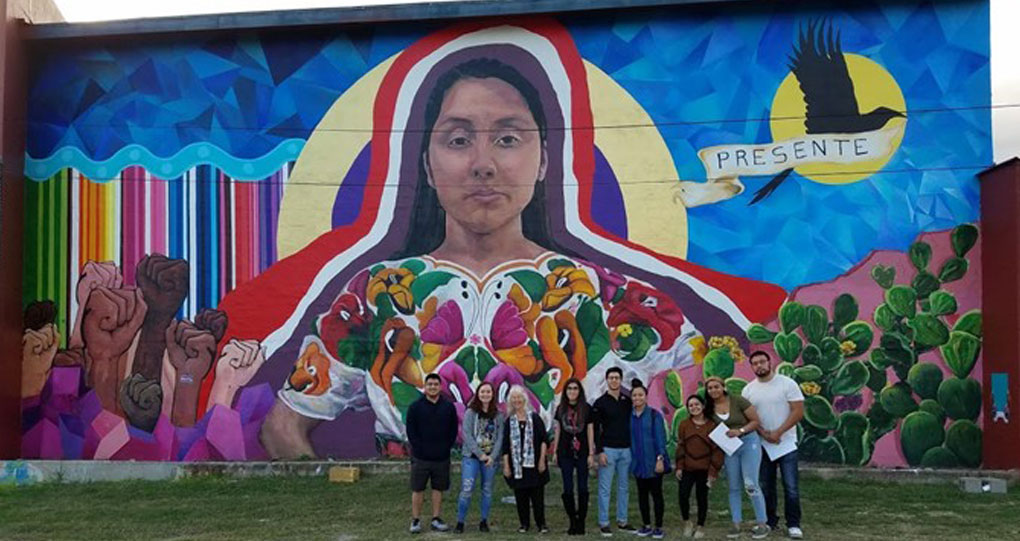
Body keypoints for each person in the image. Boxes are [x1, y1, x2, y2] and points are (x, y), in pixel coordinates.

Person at [742, 351, 805, 540]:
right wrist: (763, 433)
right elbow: (749, 417)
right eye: (755, 363)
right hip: (762, 444)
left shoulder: (787, 384)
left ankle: (793, 524)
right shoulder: (748, 390)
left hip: (786, 443)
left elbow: (798, 411)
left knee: (791, 486)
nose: (759, 366)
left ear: (770, 363)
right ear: (752, 367)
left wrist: (779, 432)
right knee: (765, 485)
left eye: (762, 361)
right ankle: (770, 521)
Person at [706, 376, 769, 539]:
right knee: (733, 486)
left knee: (750, 483)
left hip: (748, 443)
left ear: (723, 387)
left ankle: (762, 523)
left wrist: (740, 431)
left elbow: (755, 421)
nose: (713, 390)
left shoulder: (738, 401)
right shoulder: (710, 408)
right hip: (730, 447)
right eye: (710, 388)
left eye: (716, 387)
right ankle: (736, 524)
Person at [405, 373, 458, 534]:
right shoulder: (415, 407)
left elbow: (453, 430)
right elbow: (411, 432)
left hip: (441, 457)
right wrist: (419, 449)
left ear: (440, 387)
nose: (433, 387)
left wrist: (445, 448)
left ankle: (436, 518)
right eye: (430, 384)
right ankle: (415, 520)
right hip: (420, 458)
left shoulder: (448, 407)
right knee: (418, 489)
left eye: (436, 384)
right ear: (425, 387)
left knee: (438, 489)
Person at [455, 381, 505, 534]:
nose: (485, 395)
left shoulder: (497, 414)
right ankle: (460, 521)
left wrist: (493, 456)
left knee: (487, 490)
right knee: (467, 489)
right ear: (478, 394)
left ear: (492, 394)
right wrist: (480, 454)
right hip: (471, 457)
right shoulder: (471, 412)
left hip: (490, 459)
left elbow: (500, 437)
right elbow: (467, 435)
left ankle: (484, 521)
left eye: (488, 392)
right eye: (482, 392)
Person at [593, 366, 636, 536]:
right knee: (605, 488)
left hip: (626, 450)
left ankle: (622, 521)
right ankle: (604, 522)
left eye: (617, 377)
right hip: (608, 450)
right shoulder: (600, 403)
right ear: (607, 380)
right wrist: (600, 451)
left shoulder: (627, 402)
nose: (614, 380)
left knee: (624, 487)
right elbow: (596, 429)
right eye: (611, 377)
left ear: (621, 379)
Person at [551, 377, 596, 535]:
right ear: (566, 392)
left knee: (583, 487)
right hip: (565, 452)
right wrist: (555, 451)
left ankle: (581, 521)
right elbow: (558, 430)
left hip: (583, 452)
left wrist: (591, 453)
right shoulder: (560, 408)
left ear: (580, 391)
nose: (572, 392)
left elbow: (590, 431)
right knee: (568, 488)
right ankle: (572, 520)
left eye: (575, 389)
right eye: (569, 389)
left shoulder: (587, 408)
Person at [675, 394, 724, 539]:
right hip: (687, 468)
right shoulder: (684, 424)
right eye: (690, 405)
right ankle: (687, 522)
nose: (694, 407)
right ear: (687, 408)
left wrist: (713, 472)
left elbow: (717, 450)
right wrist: (679, 466)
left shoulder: (712, 425)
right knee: (683, 495)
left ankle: (700, 526)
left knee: (702, 497)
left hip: (705, 469)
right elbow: (681, 446)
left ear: (702, 406)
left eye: (696, 404)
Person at [502, 384, 550, 533]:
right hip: (517, 466)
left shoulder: (535, 418)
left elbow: (543, 440)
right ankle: (524, 524)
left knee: (537, 497)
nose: (517, 400)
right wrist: (506, 466)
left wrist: (542, 460)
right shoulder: (509, 422)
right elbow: (505, 446)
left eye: (519, 397)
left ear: (524, 399)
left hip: (535, 464)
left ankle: (541, 524)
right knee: (521, 496)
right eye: (514, 398)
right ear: (511, 401)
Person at [629, 378, 670, 539]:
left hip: (654, 463)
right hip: (638, 464)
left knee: (657, 495)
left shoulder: (654, 415)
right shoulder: (630, 417)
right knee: (642, 495)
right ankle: (646, 524)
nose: (637, 398)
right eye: (634, 395)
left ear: (645, 397)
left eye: (640, 395)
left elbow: (660, 438)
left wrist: (660, 458)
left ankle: (658, 526)